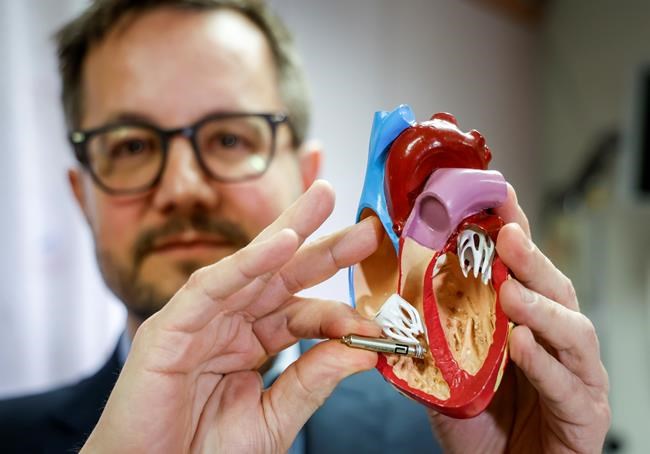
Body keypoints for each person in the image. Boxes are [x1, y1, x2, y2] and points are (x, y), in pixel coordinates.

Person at [0, 0, 610, 453]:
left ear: (304, 175)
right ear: (82, 196)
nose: (183, 187)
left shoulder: (445, 439)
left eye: (230, 138)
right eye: (131, 145)